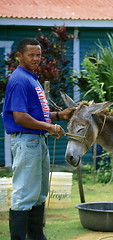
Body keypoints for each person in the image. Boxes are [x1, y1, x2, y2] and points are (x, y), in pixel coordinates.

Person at [2, 38, 75, 240]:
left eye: (38, 55)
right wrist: (50, 127)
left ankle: (36, 236)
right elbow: (20, 117)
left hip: (36, 141)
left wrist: (59, 116)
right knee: (25, 193)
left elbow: (36, 114)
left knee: (39, 193)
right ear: (20, 56)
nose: (36, 58)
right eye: (31, 55)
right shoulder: (19, 80)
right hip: (27, 142)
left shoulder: (32, 79)